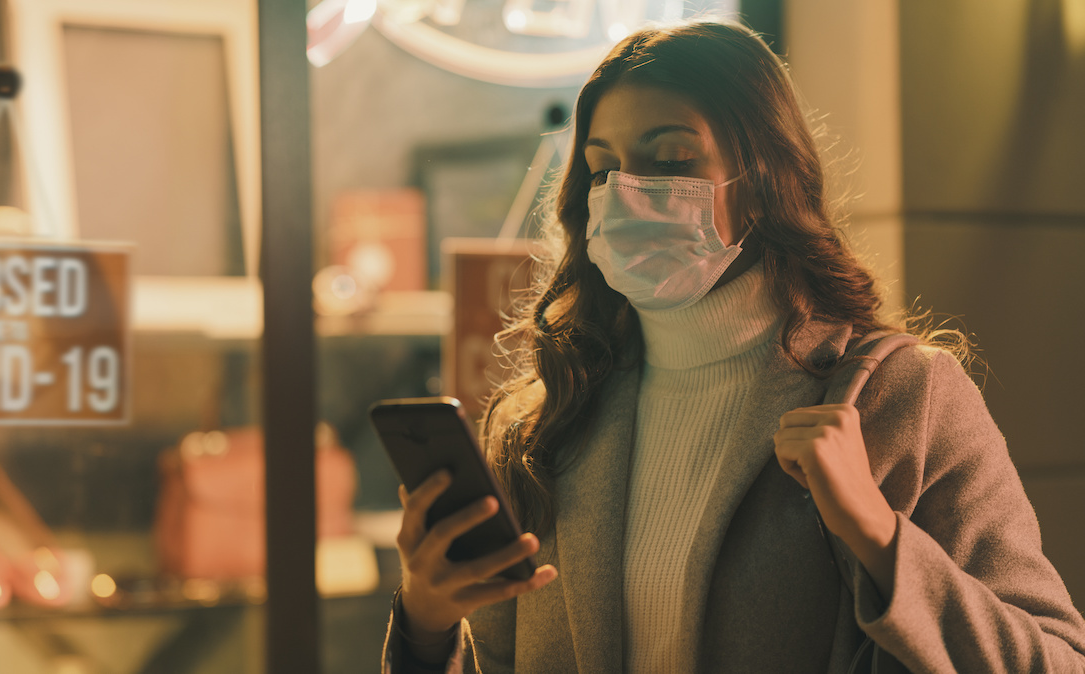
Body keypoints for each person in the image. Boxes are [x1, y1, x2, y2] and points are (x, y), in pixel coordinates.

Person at [381, 20, 1085, 673]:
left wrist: (878, 535)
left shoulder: (902, 396)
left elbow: (1054, 659)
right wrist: (427, 621)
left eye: (672, 156)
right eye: (603, 167)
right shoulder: (550, 420)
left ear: (766, 174)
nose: (627, 191)